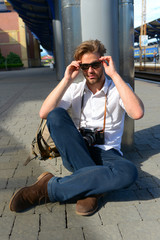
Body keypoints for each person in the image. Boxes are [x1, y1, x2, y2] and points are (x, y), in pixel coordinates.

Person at [9, 39, 144, 216]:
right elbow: (44, 112)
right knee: (55, 114)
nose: (90, 71)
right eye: (85, 66)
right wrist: (66, 80)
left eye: (95, 65)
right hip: (77, 149)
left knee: (129, 172)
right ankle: (93, 188)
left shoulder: (117, 88)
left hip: (108, 153)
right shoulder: (75, 89)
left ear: (103, 62)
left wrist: (115, 75)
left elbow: (137, 113)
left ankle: (46, 189)